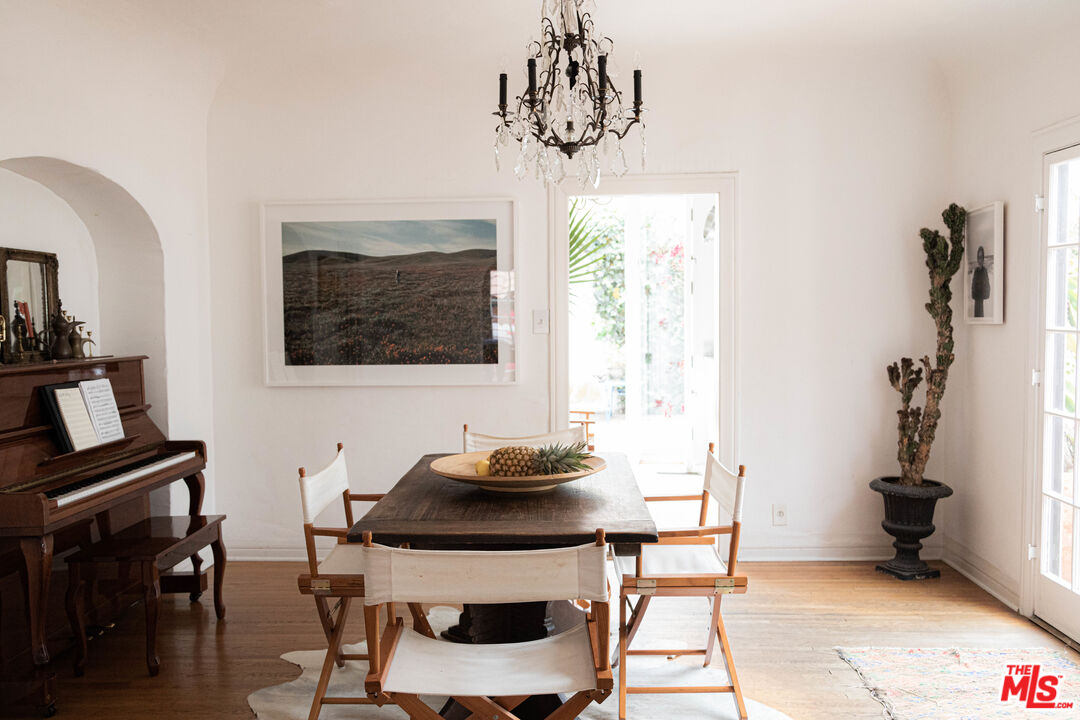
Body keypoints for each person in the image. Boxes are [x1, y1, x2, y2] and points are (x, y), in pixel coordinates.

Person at [971, 246, 990, 318]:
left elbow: (987, 285)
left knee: (981, 316)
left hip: (981, 298)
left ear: (983, 258)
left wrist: (985, 295)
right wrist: (974, 294)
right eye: (978, 257)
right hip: (976, 299)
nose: (980, 260)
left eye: (981, 257)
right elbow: (973, 283)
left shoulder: (984, 271)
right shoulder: (976, 271)